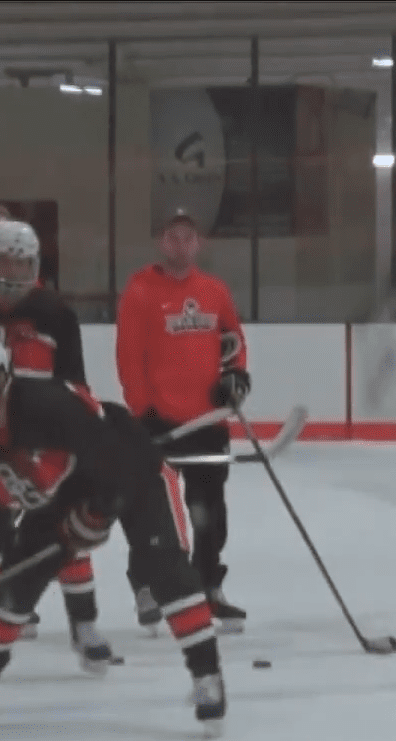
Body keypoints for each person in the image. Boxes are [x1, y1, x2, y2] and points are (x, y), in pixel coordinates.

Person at [0, 333, 226, 732]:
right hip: (65, 490)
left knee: (164, 569)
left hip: (133, 472)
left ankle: (207, 676)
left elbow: (115, 464)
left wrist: (96, 515)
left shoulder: (47, 406)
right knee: (14, 585)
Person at [0, 219, 115, 671]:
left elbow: (73, 383)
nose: (13, 273)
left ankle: (84, 622)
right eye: (5, 262)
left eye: (23, 264)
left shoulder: (55, 313)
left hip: (42, 438)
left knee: (62, 527)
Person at [115, 208, 251, 632]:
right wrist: (144, 413)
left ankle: (208, 587)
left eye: (188, 237)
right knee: (155, 512)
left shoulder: (214, 290)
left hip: (208, 423)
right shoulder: (141, 290)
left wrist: (235, 378)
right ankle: (147, 584)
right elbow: (128, 357)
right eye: (172, 236)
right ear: (160, 242)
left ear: (198, 243)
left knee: (209, 513)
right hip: (162, 423)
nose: (181, 244)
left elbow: (233, 341)